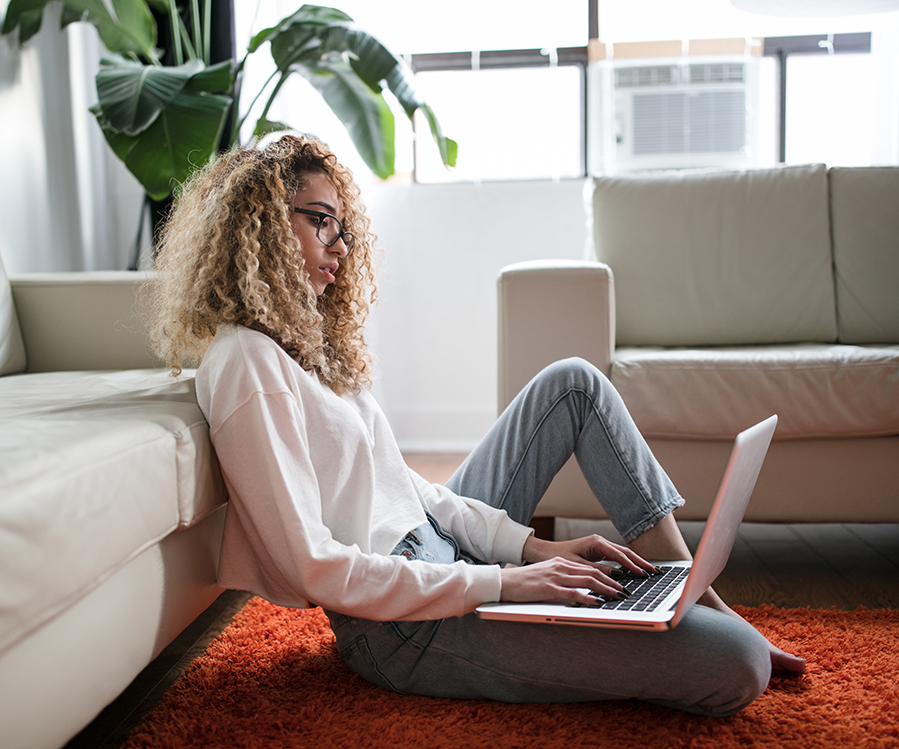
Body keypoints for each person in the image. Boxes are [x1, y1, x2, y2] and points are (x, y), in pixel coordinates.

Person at [148, 134, 805, 716]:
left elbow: (406, 489)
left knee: (571, 382)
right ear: (258, 223)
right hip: (401, 627)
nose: (340, 247)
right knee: (738, 663)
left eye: (341, 227)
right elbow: (314, 566)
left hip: (440, 556)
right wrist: (501, 582)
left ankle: (689, 589)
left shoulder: (303, 344)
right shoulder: (246, 362)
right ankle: (692, 618)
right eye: (321, 222)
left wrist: (529, 550)